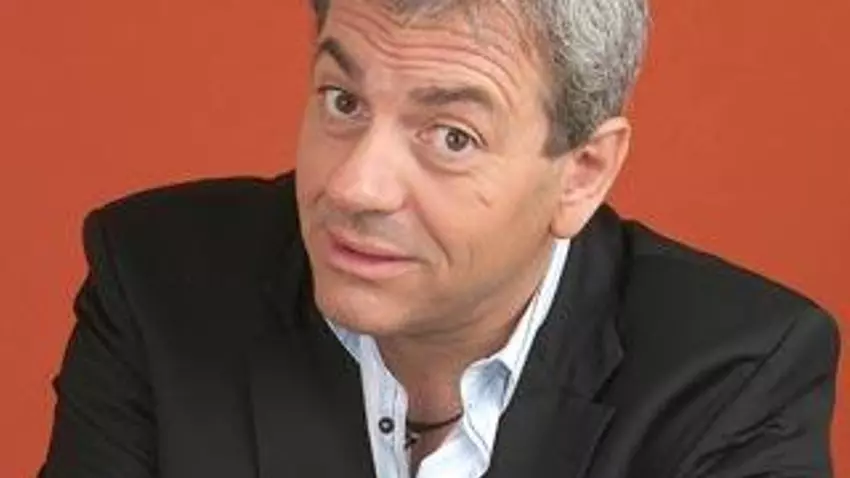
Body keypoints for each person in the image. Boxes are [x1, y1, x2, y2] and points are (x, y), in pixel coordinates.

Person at [40, 0, 840, 476]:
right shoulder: (157, 283)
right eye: (343, 101)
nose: (354, 187)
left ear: (582, 172)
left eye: (451, 136)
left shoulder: (734, 377)